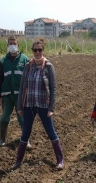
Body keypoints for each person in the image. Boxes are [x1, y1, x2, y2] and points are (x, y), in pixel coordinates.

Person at [13, 38, 64, 170]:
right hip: (29, 104)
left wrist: (51, 108)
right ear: (32, 51)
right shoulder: (28, 67)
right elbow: (22, 86)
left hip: (43, 105)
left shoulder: (48, 67)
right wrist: (19, 106)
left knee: (50, 131)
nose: (37, 52)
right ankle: (18, 161)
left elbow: (53, 88)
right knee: (25, 132)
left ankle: (60, 160)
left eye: (39, 50)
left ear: (43, 50)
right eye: (35, 50)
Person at [0, 35, 29, 147]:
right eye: (10, 43)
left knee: (23, 118)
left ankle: (26, 140)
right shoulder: (3, 61)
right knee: (5, 117)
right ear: (7, 45)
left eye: (14, 43)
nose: (12, 45)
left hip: (21, 95)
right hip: (7, 95)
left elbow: (29, 78)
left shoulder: (25, 60)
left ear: (18, 45)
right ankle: (2, 140)